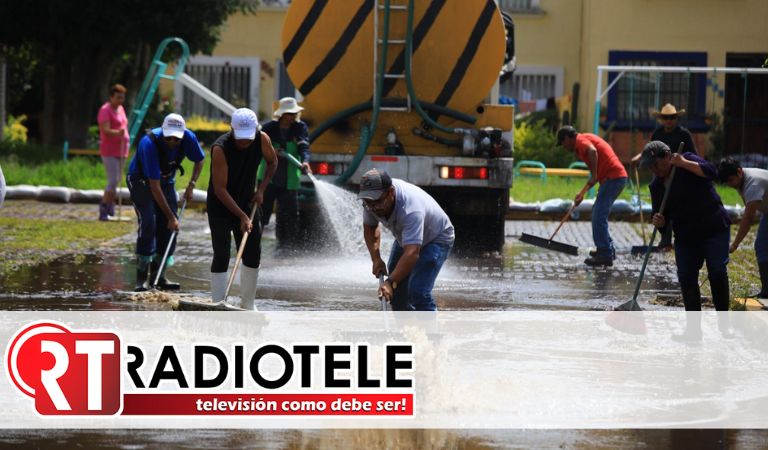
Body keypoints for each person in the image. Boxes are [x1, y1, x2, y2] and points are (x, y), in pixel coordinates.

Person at [639, 141, 731, 311]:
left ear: (667, 156)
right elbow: (660, 217)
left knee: (717, 272)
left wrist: (683, 163)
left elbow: (712, 172)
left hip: (713, 227)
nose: (654, 170)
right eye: (650, 167)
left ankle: (724, 324)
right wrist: (660, 222)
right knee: (686, 277)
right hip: (686, 236)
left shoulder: (687, 161)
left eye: (655, 164)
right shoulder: (656, 186)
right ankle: (693, 330)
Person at [208, 108, 278, 309]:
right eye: (241, 138)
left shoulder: (262, 139)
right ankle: (218, 304)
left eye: (248, 139)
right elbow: (220, 189)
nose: (245, 143)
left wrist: (261, 189)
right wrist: (242, 216)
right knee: (221, 253)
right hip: (221, 205)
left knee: (252, 252)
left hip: (248, 202)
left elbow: (273, 162)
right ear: (232, 129)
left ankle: (247, 304)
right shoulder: (220, 148)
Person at [126, 113, 204, 291]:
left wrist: (191, 185)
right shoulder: (149, 143)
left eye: (176, 139)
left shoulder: (189, 138)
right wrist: (171, 216)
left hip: (167, 182)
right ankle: (141, 277)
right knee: (149, 222)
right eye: (169, 138)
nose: (172, 142)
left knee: (169, 230)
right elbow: (154, 186)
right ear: (163, 132)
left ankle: (158, 276)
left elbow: (200, 160)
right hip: (141, 182)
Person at [360, 168, 454, 311]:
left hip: (436, 238)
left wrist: (390, 282)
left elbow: (412, 253)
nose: (373, 207)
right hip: (406, 238)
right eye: (368, 202)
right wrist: (376, 259)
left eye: (377, 202)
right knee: (396, 294)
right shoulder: (370, 203)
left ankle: (428, 332)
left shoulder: (410, 209)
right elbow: (370, 229)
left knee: (418, 292)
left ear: (391, 192)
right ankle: (406, 331)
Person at [556, 125, 628, 266]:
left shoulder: (581, 141)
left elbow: (593, 151)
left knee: (598, 215)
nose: (564, 147)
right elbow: (596, 172)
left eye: (562, 143)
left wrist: (594, 175)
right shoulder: (582, 141)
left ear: (566, 138)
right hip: (612, 178)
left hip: (614, 177)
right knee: (598, 212)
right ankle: (607, 249)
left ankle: (605, 253)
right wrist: (582, 193)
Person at [631, 103, 698, 249]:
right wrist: (640, 157)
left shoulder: (684, 134)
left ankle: (683, 235)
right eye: (666, 118)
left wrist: (680, 162)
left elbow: (693, 155)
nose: (669, 120)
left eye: (672, 117)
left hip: (679, 172)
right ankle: (664, 236)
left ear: (676, 118)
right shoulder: (657, 133)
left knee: (678, 202)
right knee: (658, 197)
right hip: (661, 172)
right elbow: (650, 151)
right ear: (661, 119)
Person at [258, 97, 312, 252]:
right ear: (281, 114)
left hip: (289, 180)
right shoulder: (268, 128)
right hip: (268, 180)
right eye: (289, 113)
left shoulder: (300, 128)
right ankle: (254, 246)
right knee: (261, 215)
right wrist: (271, 151)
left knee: (290, 218)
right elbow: (258, 147)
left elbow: (304, 147)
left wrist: (306, 161)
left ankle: (289, 250)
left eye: (294, 113)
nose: (292, 116)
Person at [717, 158, 768, 298]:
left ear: (739, 172)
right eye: (727, 182)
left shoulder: (753, 184)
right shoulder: (742, 178)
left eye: (731, 180)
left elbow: (748, 219)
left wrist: (734, 245)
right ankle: (767, 291)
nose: (730, 184)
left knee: (763, 246)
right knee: (762, 246)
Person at [97, 84, 130, 221]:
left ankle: (111, 207)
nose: (120, 100)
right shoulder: (105, 110)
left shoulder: (121, 109)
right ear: (111, 97)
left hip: (122, 150)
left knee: (117, 181)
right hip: (110, 150)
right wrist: (118, 133)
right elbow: (105, 129)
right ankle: (104, 207)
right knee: (113, 181)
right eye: (118, 98)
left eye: (122, 98)